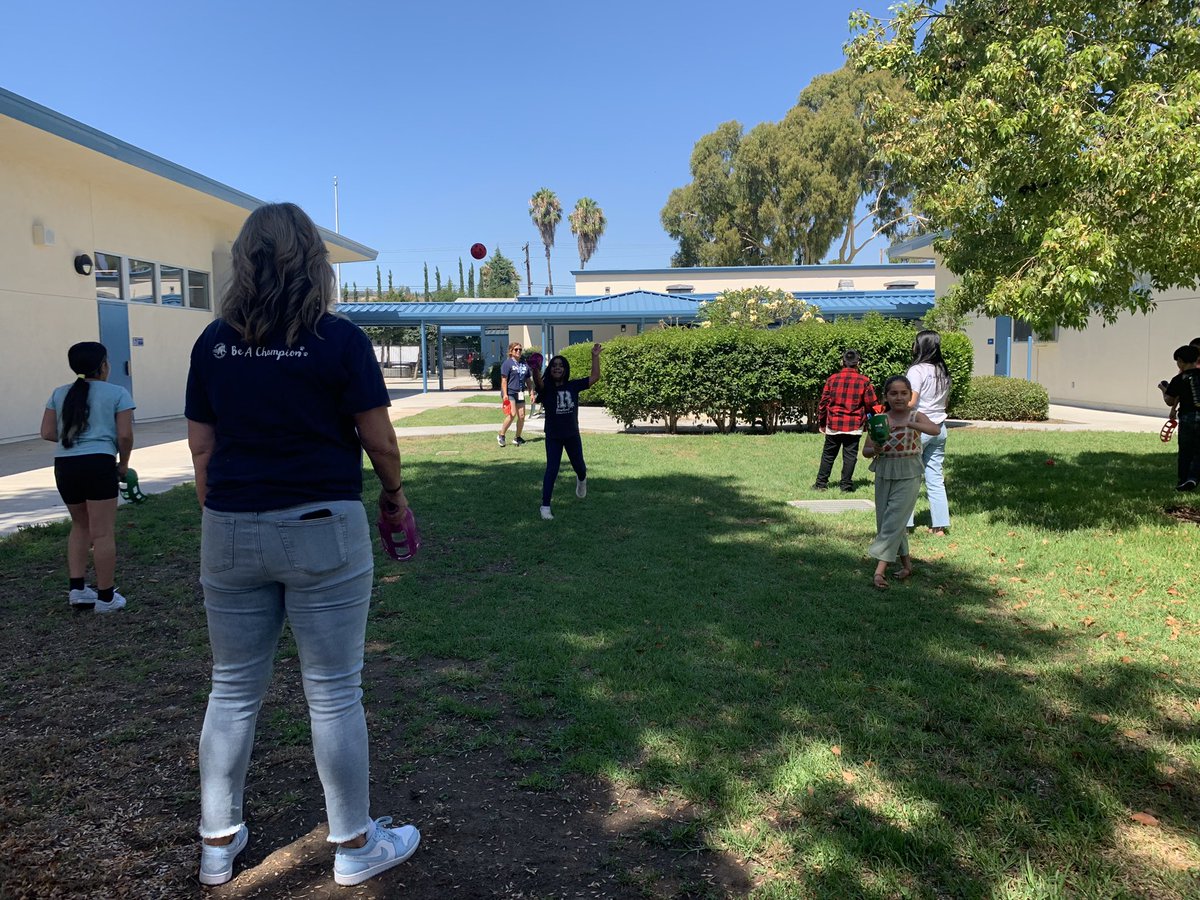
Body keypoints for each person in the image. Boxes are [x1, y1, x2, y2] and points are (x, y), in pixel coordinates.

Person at [184, 203, 419, 887]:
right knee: (334, 694)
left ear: (243, 259)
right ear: (314, 262)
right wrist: (395, 497)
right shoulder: (338, 340)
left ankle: (217, 843)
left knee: (231, 690)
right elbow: (378, 440)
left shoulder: (213, 343)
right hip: (324, 527)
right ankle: (353, 845)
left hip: (229, 527)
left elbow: (202, 449)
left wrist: (227, 517)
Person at [40, 341, 135, 613]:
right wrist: (123, 464)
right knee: (102, 532)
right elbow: (125, 435)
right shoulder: (118, 393)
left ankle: (78, 590)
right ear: (103, 365)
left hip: (65, 465)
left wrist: (75, 437)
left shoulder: (59, 393)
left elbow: (47, 432)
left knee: (80, 525)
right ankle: (106, 597)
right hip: (99, 462)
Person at [863, 375, 942, 589]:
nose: (899, 397)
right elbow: (866, 450)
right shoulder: (879, 419)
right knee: (885, 520)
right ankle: (907, 565)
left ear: (910, 395)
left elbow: (935, 430)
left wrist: (910, 423)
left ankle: (879, 571)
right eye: (893, 393)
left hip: (909, 472)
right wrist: (875, 449)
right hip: (884, 471)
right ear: (886, 396)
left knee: (895, 519)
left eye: (903, 393)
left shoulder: (916, 415)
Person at [531, 344, 601, 520]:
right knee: (551, 470)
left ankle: (582, 480)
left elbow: (594, 377)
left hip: (572, 434)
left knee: (580, 467)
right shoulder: (546, 388)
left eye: (561, 366)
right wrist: (535, 369)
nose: (557, 368)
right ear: (550, 369)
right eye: (554, 365)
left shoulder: (573, 386)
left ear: (565, 369)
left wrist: (595, 357)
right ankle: (545, 506)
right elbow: (538, 383)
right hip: (553, 436)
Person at [905, 329, 953, 535]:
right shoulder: (943, 370)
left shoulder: (916, 371)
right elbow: (946, 402)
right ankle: (939, 526)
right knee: (935, 477)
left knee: (908, 476)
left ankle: (905, 525)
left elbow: (912, 401)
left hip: (919, 427)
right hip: (940, 428)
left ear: (921, 346)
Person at [813, 349, 877, 492]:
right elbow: (871, 404)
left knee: (828, 455)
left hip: (834, 423)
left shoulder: (832, 379)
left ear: (842, 362)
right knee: (850, 456)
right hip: (854, 425)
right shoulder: (864, 381)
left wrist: (822, 423)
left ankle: (820, 484)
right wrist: (870, 421)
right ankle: (846, 486)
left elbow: (823, 403)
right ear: (858, 363)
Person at [1158, 344, 1200, 491]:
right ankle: (1193, 478)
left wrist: (1163, 388)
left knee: (1185, 450)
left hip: (1188, 417)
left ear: (1181, 361)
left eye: (1178, 361)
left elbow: (1170, 399)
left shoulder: (1179, 379)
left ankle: (1183, 480)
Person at [497, 341, 531, 447]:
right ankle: (501, 435)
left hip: (520, 392)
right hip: (510, 392)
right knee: (512, 414)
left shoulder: (524, 364)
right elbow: (504, 380)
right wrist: (505, 394)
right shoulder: (507, 364)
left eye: (520, 349)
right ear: (511, 351)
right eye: (516, 349)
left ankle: (517, 437)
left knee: (521, 416)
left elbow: (528, 380)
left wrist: (532, 392)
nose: (518, 351)